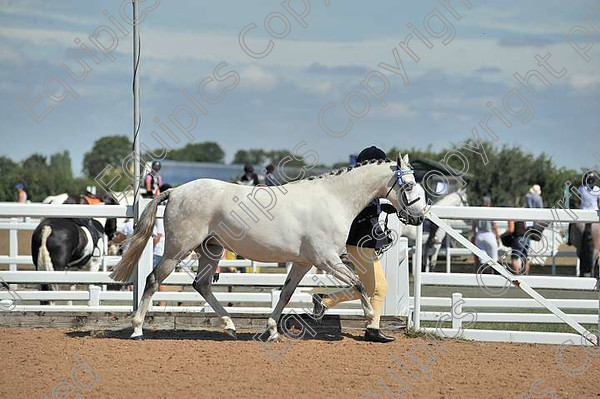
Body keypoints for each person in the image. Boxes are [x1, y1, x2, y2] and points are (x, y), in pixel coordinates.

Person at [312, 146, 397, 343]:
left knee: (371, 287)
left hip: (362, 242)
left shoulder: (365, 185)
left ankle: (326, 300)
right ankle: (372, 328)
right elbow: (357, 210)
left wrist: (381, 206)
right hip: (360, 241)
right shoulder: (360, 187)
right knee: (379, 287)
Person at [577, 172, 600, 276]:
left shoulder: (581, 188)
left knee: (571, 223)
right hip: (594, 215)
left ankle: (568, 239)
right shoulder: (598, 190)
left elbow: (577, 199)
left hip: (582, 214)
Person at [472, 195, 500, 269]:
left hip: (479, 235)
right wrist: (498, 238)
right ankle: (493, 274)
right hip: (489, 234)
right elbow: (495, 226)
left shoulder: (477, 212)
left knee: (483, 259)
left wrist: (474, 237)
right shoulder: (491, 212)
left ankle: (483, 274)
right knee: (494, 258)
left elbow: (473, 227)